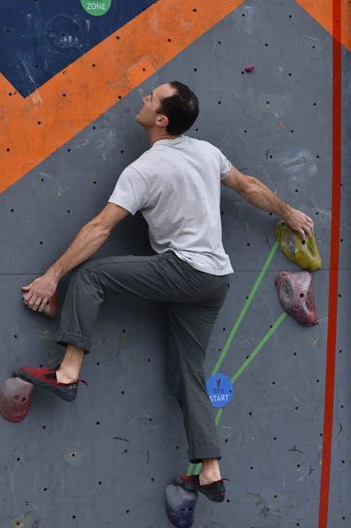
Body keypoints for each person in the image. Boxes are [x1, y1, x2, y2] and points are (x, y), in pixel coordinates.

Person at [17, 81, 314, 502]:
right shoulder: (207, 152)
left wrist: (52, 276)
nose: (142, 98)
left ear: (160, 120)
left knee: (91, 277)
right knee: (186, 375)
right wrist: (287, 212)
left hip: (184, 270)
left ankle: (67, 372)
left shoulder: (144, 169)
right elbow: (248, 186)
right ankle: (210, 470)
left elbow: (101, 227)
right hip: (215, 282)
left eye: (151, 98)